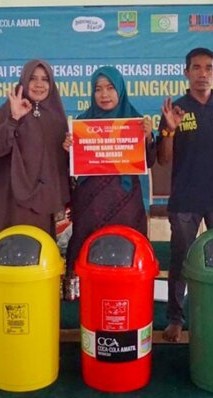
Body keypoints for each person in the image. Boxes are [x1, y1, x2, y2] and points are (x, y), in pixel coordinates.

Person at [0, 59, 70, 350]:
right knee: (2, 263)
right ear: (24, 80)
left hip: (40, 208)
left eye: (45, 78)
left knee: (35, 265)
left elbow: (60, 166)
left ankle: (34, 329)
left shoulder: (57, 117)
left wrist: (72, 151)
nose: (40, 84)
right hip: (8, 203)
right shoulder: (10, 109)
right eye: (34, 78)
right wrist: (15, 119)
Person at [157, 48, 213, 342]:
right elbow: (163, 159)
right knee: (181, 260)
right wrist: (169, 131)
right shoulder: (176, 109)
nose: (202, 73)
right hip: (184, 199)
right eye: (196, 67)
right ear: (186, 72)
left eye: (208, 68)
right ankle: (175, 318)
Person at [63, 66, 155, 286]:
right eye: (98, 89)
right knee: (88, 245)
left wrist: (148, 137)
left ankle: (129, 286)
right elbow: (73, 167)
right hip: (90, 200)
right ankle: (83, 289)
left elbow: (150, 160)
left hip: (125, 198)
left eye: (110, 88)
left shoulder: (136, 121)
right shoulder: (83, 121)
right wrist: (69, 149)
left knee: (126, 245)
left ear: (120, 90)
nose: (104, 94)